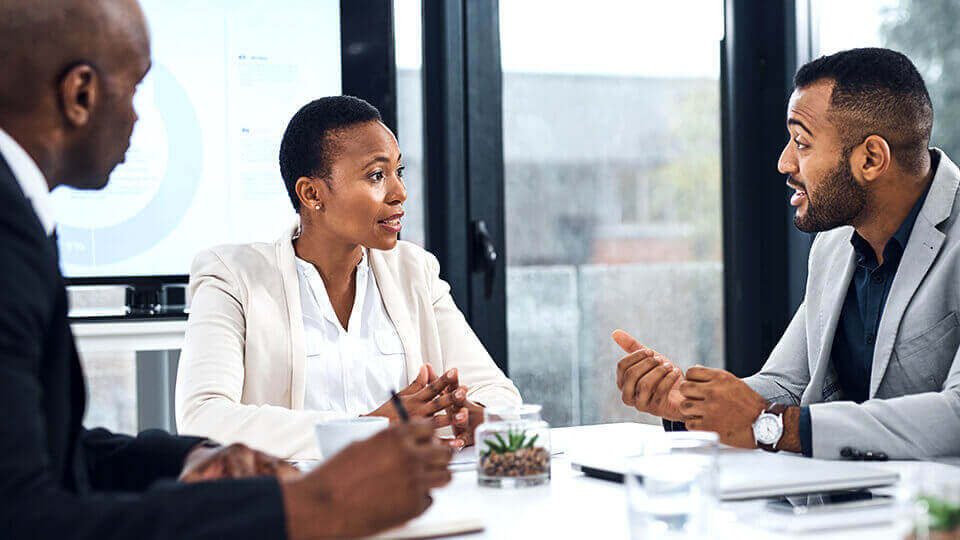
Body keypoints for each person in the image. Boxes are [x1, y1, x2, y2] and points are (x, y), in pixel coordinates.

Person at [0, 1, 451, 538]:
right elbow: (24, 518)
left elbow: (58, 457)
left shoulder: (19, 218)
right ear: (80, 95)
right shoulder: (8, 237)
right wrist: (308, 506)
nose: (138, 117)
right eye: (135, 88)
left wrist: (192, 459)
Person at [615, 47, 960, 459]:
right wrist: (688, 403)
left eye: (802, 142)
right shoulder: (833, 245)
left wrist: (774, 426)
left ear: (871, 158)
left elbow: (955, 415)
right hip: (832, 510)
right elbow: (787, 385)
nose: (783, 162)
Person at [175, 96, 522, 459]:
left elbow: (499, 394)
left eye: (398, 172)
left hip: (414, 494)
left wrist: (473, 416)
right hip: (296, 502)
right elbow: (203, 419)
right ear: (312, 194)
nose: (399, 192)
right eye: (376, 175)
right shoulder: (232, 276)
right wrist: (367, 429)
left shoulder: (415, 270)